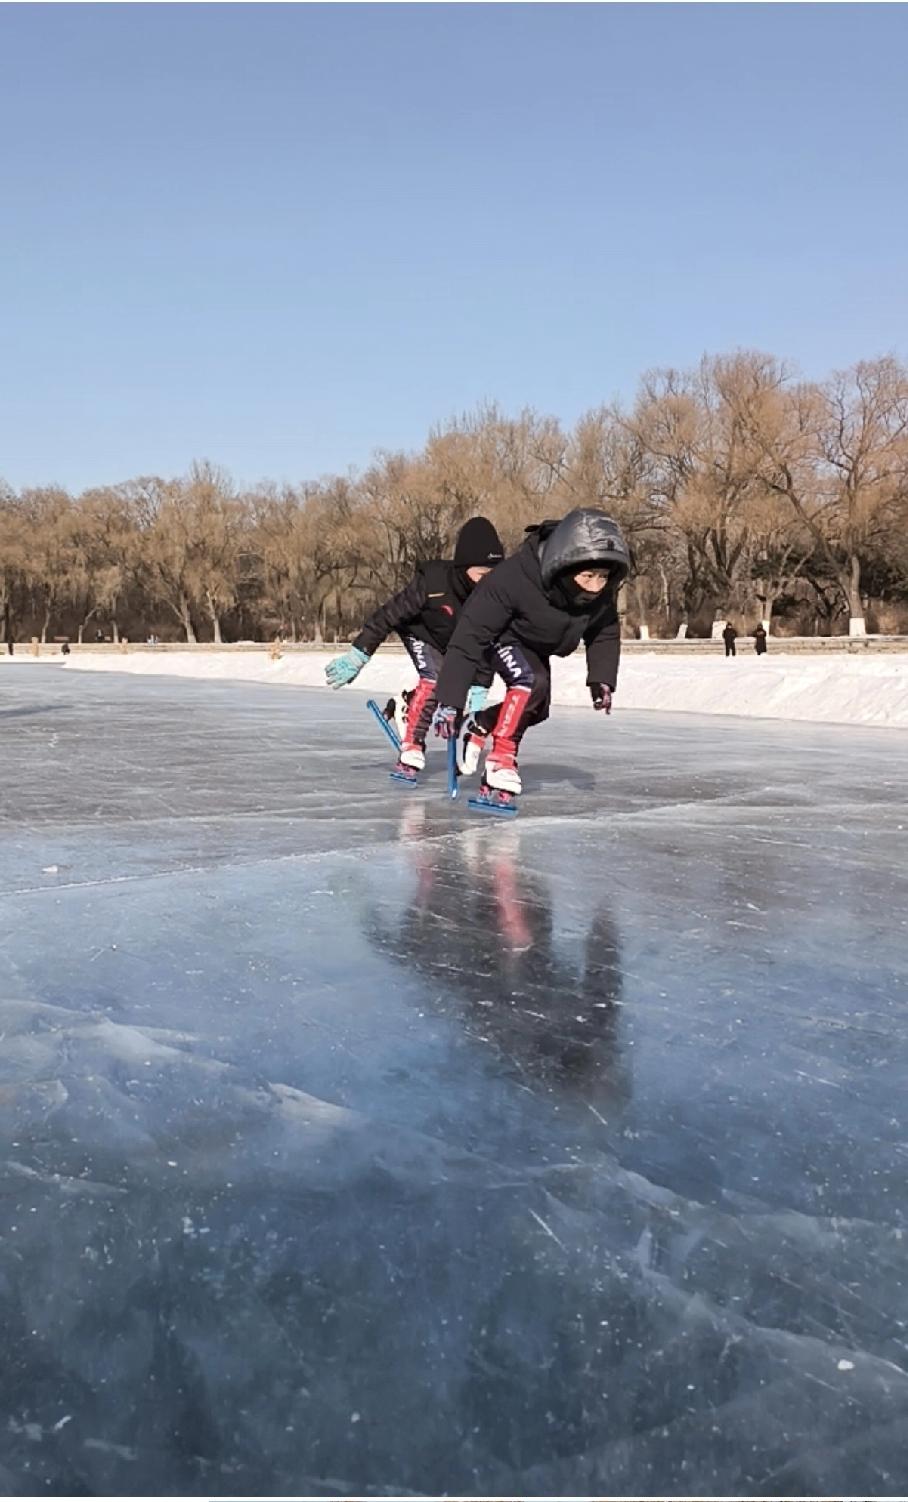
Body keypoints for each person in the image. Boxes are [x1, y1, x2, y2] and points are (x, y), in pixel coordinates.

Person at [431, 508, 631, 799]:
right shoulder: (513, 578)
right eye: (588, 576)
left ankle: (480, 723)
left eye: (603, 577)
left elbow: (605, 629)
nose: (595, 586)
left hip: (534, 645)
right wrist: (450, 701)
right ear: (564, 565)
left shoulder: (600, 593)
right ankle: (501, 759)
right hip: (500, 636)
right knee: (528, 681)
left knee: (537, 708)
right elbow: (468, 639)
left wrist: (602, 678)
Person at [324, 516, 505, 773]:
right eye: (482, 574)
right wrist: (359, 655)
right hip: (420, 632)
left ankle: (408, 703)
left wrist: (478, 691)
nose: (488, 582)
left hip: (452, 642)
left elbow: (487, 645)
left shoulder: (493, 597)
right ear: (463, 568)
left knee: (455, 690)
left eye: (494, 575)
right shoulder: (433, 584)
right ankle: (413, 743)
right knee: (434, 679)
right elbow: (386, 616)